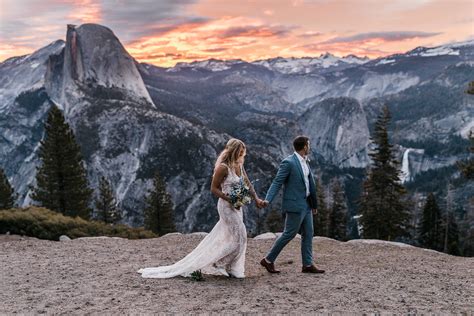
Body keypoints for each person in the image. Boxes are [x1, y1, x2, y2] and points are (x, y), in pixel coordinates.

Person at [138, 138, 264, 278]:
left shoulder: (239, 165)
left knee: (238, 237)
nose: (241, 155)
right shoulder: (223, 167)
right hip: (226, 206)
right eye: (239, 152)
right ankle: (219, 263)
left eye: (242, 152)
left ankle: (230, 266)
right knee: (240, 237)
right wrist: (230, 198)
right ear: (232, 151)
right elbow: (214, 189)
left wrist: (256, 198)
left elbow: (247, 184)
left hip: (237, 207)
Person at [260, 136, 325, 274]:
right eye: (309, 145)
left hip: (307, 205)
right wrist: (268, 199)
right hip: (295, 205)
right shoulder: (288, 162)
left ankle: (307, 264)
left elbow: (309, 184)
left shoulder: (305, 162)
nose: (310, 147)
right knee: (289, 233)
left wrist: (314, 204)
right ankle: (268, 260)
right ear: (305, 147)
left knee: (308, 233)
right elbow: (277, 182)